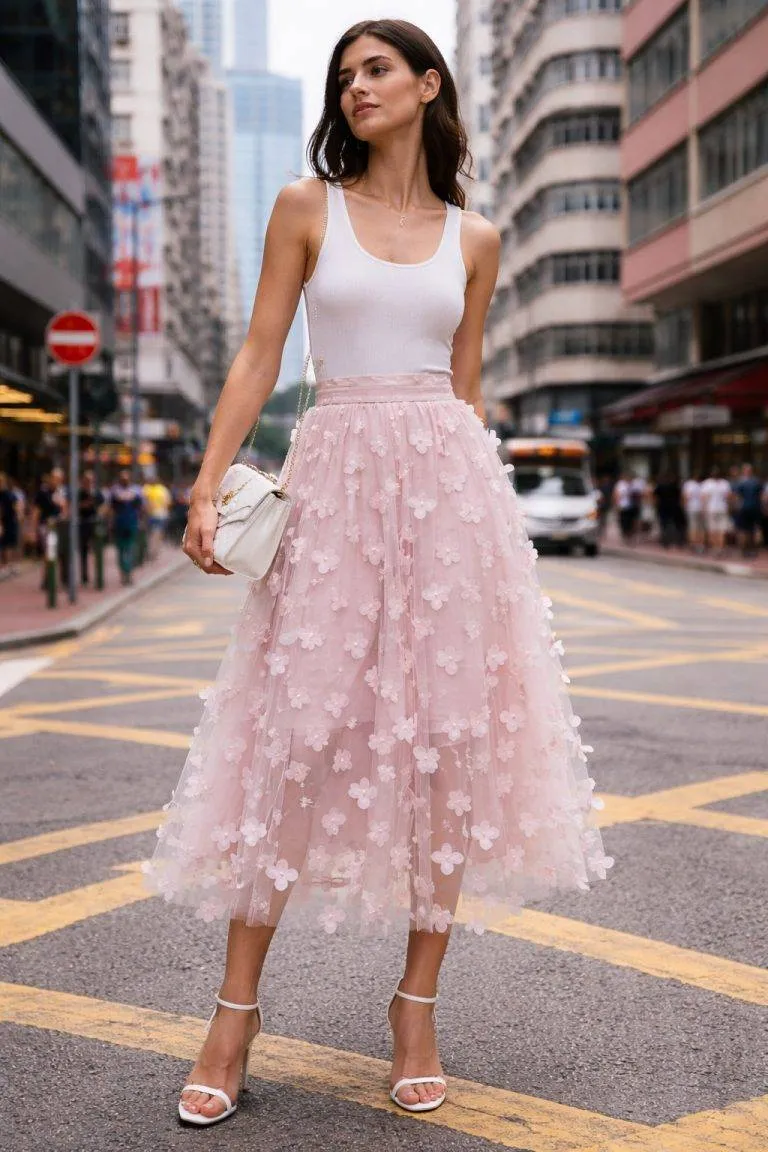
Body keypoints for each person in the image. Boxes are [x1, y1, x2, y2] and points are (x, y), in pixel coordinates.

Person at [142, 20, 612, 1128]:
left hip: (451, 501)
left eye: (377, 70)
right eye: (344, 75)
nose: (356, 88)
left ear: (427, 85)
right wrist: (209, 482)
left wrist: (488, 528)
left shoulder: (478, 238)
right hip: (337, 482)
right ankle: (233, 1013)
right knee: (291, 741)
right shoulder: (307, 207)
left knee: (444, 747)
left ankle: (417, 1005)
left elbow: (466, 391)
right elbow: (262, 352)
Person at [109, 470, 144, 584]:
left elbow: (140, 508)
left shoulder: (136, 491)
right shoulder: (115, 492)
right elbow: (111, 509)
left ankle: (128, 573)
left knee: (129, 549)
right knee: (121, 549)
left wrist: (140, 521)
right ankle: (124, 572)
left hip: (131, 524)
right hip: (119, 525)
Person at [78, 470, 105, 584]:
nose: (88, 483)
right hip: (82, 523)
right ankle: (84, 576)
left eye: (90, 480)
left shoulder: (97, 493)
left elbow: (103, 506)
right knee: (83, 551)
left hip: (95, 523)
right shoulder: (79, 493)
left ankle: (98, 577)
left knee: (97, 550)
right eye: (86, 480)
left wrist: (100, 514)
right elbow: (75, 506)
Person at [700, 466, 733, 557]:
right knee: (721, 530)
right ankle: (720, 548)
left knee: (713, 530)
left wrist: (704, 509)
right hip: (722, 508)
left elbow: (703, 498)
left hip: (712, 509)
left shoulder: (707, 484)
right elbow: (729, 497)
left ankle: (715, 548)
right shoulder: (725, 483)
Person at [733, 463, 763, 557]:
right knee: (752, 529)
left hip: (744, 508)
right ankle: (752, 549)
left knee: (743, 530)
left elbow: (736, 496)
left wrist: (735, 506)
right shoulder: (756, 481)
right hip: (754, 507)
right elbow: (761, 496)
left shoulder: (740, 482)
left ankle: (744, 550)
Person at [143, 476, 172, 559]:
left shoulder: (147, 489)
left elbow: (144, 503)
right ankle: (154, 550)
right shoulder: (163, 490)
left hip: (151, 515)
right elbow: (168, 502)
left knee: (151, 533)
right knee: (158, 533)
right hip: (161, 514)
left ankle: (152, 550)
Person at [653, 472, 683, 549]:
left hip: (663, 507)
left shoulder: (660, 486)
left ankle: (666, 542)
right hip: (673, 507)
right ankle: (676, 541)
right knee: (674, 525)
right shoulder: (675, 486)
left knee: (664, 525)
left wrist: (655, 505)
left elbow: (655, 496)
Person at [0, 472, 21, 573]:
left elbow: (16, 506)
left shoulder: (9, 494)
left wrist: (18, 516)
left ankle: (12, 565)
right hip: (4, 521)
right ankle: (5, 565)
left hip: (10, 521)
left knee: (10, 543)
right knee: (4, 544)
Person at [682, 473, 705, 553]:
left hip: (692, 508)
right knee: (700, 528)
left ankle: (694, 545)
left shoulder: (688, 484)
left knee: (693, 527)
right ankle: (700, 545)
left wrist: (685, 506)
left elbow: (686, 496)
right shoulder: (703, 484)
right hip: (700, 508)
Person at [613, 471, 638, 543]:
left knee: (631, 521)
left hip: (632, 506)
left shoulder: (634, 484)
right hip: (623, 506)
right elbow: (616, 495)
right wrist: (617, 505)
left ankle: (630, 534)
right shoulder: (620, 484)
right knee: (624, 521)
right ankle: (625, 534)